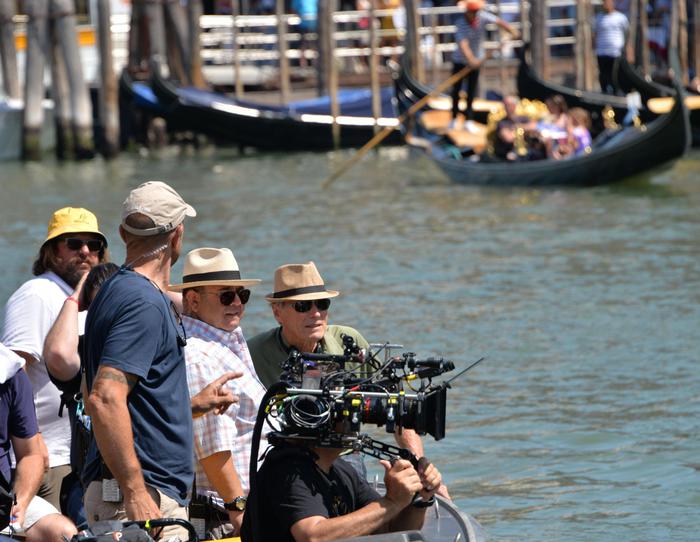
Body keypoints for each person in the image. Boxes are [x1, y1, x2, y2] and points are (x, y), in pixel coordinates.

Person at [82, 181, 237, 541]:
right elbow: (104, 398)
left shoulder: (114, 290)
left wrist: (192, 405)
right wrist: (135, 489)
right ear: (177, 234)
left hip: (126, 489)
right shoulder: (143, 303)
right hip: (140, 495)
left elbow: (129, 394)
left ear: (122, 233)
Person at [248, 261, 450, 499]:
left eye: (322, 304)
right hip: (283, 457)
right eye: (302, 306)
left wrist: (418, 465)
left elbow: (399, 411)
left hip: (344, 457)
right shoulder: (252, 354)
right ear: (277, 313)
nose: (315, 313)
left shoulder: (349, 341)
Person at [1, 207, 108, 524]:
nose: (85, 252)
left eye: (94, 245)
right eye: (74, 243)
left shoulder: (86, 300)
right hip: (49, 458)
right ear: (51, 251)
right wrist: (32, 446)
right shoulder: (38, 294)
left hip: (81, 456)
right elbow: (10, 373)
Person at [169, 247, 265, 539]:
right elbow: (212, 447)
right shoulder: (200, 356)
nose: (237, 302)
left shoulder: (222, 341)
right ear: (194, 300)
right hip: (226, 516)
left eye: (242, 295)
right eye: (226, 295)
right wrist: (241, 514)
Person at [240, 433, 443, 542]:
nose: (355, 424)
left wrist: (419, 498)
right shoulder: (288, 471)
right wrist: (391, 502)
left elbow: (391, 530)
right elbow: (313, 536)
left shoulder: (339, 469)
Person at [42, 263, 120, 510]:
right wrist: (75, 297)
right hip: (92, 487)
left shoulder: (147, 347)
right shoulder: (85, 356)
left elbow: (196, 309)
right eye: (99, 308)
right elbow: (57, 354)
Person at [0, 344, 77, 541]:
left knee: (63, 533)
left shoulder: (10, 371)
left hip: (3, 499)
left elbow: (30, 455)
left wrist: (20, 503)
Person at [450, 0, 519, 133]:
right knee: (456, 91)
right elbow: (463, 44)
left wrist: (511, 30)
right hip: (460, 61)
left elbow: (498, 21)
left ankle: (468, 120)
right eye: (473, 12)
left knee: (471, 91)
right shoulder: (460, 23)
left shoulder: (482, 16)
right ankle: (453, 119)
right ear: (468, 11)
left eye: (476, 12)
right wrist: (471, 60)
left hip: (476, 61)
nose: (475, 14)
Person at [593, 0, 629, 95]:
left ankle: (616, 93)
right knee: (603, 75)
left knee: (614, 75)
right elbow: (595, 35)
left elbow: (627, 34)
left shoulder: (621, 18)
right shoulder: (598, 18)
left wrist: (628, 49)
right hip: (601, 51)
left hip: (615, 52)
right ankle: (604, 93)